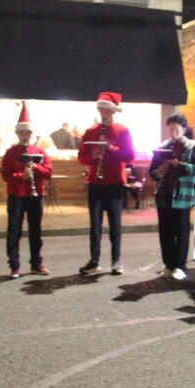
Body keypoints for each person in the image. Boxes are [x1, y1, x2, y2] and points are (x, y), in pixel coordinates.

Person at [77, 92, 135, 275]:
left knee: (115, 225)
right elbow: (81, 157)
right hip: (95, 182)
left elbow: (129, 156)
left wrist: (112, 148)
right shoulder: (91, 131)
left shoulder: (122, 131)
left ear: (112, 111)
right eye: (101, 109)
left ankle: (116, 261)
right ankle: (94, 261)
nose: (103, 112)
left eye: (106, 110)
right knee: (95, 226)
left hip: (115, 183)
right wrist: (92, 157)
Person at [0, 102, 53, 278]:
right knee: (14, 230)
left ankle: (36, 263)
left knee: (35, 230)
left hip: (35, 195)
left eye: (27, 133)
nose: (25, 136)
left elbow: (48, 173)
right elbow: (5, 175)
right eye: (22, 133)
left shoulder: (39, 151)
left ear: (31, 134)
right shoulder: (11, 152)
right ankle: (14, 265)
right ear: (17, 133)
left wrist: (36, 169)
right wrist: (20, 177)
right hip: (16, 195)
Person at [149, 114, 195, 280]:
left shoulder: (192, 147)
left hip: (182, 194)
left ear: (184, 130)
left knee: (181, 232)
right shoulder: (163, 146)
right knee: (165, 232)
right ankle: (168, 265)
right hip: (164, 193)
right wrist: (157, 172)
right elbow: (152, 170)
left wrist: (179, 164)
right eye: (171, 129)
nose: (173, 132)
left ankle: (180, 266)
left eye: (177, 129)